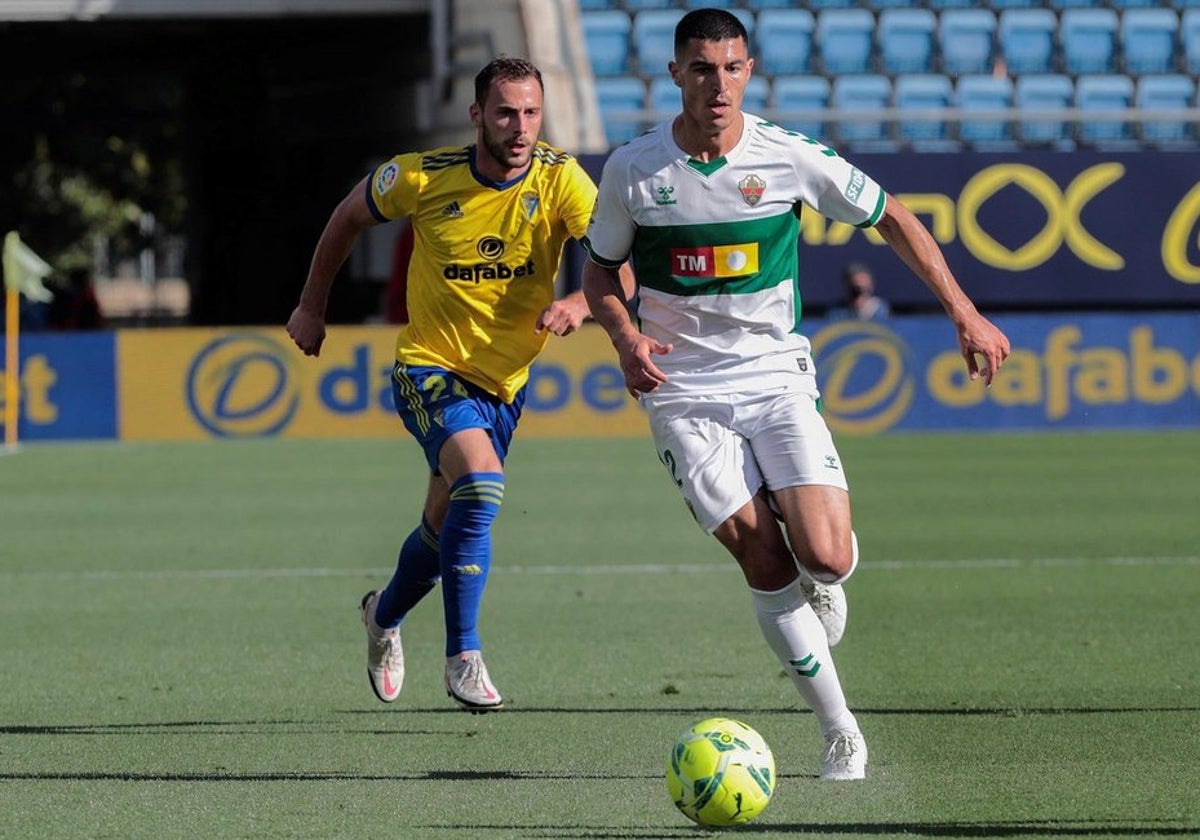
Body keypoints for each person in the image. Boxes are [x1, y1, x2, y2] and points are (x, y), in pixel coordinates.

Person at [581, 9, 1010, 780]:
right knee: (764, 559)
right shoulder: (632, 170)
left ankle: (823, 578)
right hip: (684, 391)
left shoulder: (785, 156)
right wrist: (624, 337)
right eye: (703, 68)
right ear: (675, 73)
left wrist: (964, 311)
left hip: (776, 376)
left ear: (751, 71)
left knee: (827, 556)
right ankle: (840, 731)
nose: (719, 84)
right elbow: (600, 270)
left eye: (733, 67)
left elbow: (891, 217)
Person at [287, 56, 620, 713]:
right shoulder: (421, 176)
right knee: (482, 484)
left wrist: (583, 306)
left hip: (505, 385)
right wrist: (311, 306)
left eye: (530, 112)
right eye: (505, 112)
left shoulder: (563, 180)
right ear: (477, 116)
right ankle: (463, 656)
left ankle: (383, 616)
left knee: (444, 528)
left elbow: (616, 259)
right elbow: (345, 218)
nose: (520, 126)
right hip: (429, 366)